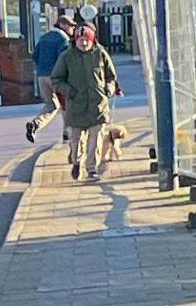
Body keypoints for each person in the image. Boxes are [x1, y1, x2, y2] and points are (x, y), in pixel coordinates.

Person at [49, 22, 121, 179]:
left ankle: (91, 169)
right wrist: (70, 92)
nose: (83, 43)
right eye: (80, 40)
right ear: (75, 40)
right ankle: (76, 162)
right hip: (76, 106)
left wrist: (108, 90)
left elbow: (111, 77)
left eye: (86, 40)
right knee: (76, 141)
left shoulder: (100, 53)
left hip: (98, 105)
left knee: (96, 140)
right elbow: (56, 79)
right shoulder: (67, 56)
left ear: (92, 39)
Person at [20, 10, 72, 141]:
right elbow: (64, 58)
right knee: (66, 103)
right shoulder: (63, 39)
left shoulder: (43, 37)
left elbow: (35, 56)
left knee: (51, 105)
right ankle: (67, 133)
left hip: (42, 76)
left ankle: (35, 124)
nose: (72, 29)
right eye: (71, 26)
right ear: (63, 25)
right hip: (56, 77)